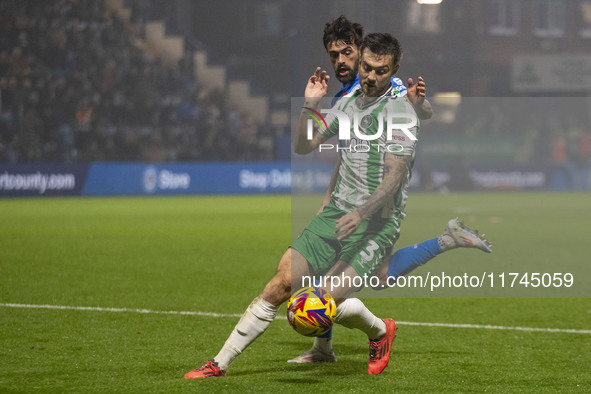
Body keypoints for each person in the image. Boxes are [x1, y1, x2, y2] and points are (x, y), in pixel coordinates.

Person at [185, 32, 417, 379]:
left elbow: (395, 176)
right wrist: (311, 104)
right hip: (337, 213)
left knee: (323, 301)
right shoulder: (346, 104)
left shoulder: (401, 113)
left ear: (394, 69)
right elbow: (304, 146)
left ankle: (380, 332)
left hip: (376, 223)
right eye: (366, 68)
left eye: (381, 71)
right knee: (281, 283)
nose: (370, 77)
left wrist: (361, 213)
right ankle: (218, 364)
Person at [288, 16, 491, 364]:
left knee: (348, 277)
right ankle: (448, 239)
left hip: (381, 198)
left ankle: (334, 344)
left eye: (347, 52)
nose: (341, 60)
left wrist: (418, 102)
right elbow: (343, 153)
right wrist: (328, 199)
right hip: (354, 196)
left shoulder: (384, 84)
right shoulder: (345, 95)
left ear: (362, 50)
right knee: (367, 275)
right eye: (333, 53)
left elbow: (422, 111)